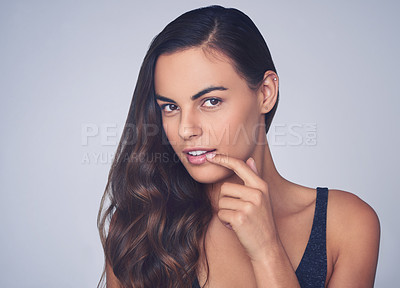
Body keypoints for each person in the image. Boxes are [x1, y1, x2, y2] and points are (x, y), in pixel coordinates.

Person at [97, 5, 380, 288]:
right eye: (170, 107)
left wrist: (267, 250)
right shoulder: (140, 225)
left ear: (266, 93)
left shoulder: (347, 225)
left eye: (210, 101)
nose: (185, 129)